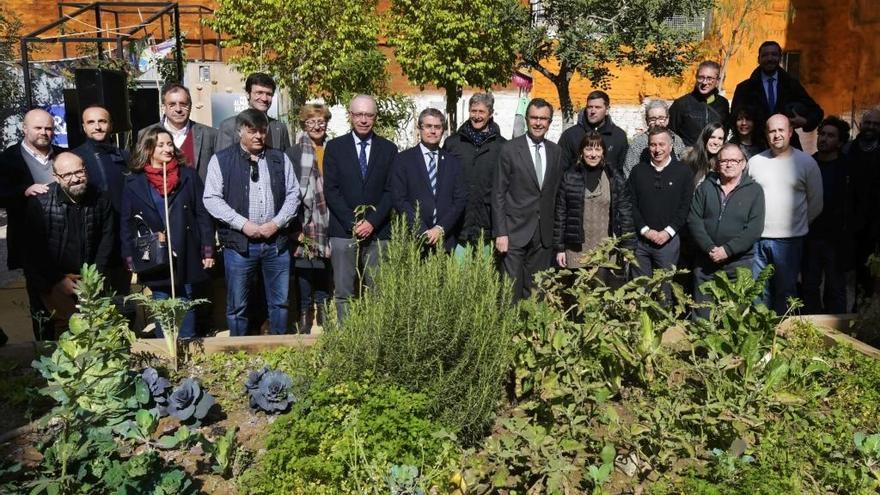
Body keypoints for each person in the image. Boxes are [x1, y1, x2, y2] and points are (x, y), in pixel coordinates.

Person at [203, 109, 300, 336]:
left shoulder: (279, 159)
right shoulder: (221, 160)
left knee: (279, 303)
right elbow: (211, 198)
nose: (258, 136)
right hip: (239, 244)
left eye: (262, 131)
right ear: (240, 132)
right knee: (237, 306)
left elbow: (293, 194)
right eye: (252, 131)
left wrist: (276, 223)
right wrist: (242, 224)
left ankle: (279, 349)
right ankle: (239, 352)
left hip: (276, 243)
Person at [121, 127, 215, 338]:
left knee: (186, 299)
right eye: (160, 144)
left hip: (186, 246)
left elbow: (202, 214)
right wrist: (129, 256)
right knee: (161, 299)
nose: (167, 148)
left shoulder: (188, 176)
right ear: (148, 148)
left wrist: (207, 250)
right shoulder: (134, 181)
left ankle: (188, 344)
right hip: (155, 251)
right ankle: (166, 349)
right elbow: (126, 222)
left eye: (169, 144)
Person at [23, 152, 115, 337]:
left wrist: (93, 276)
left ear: (86, 171)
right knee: (61, 328)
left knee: (93, 327)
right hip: (50, 279)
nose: (75, 179)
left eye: (79, 172)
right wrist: (58, 280)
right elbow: (33, 249)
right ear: (56, 177)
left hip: (88, 277)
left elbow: (107, 239)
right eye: (67, 175)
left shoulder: (101, 199)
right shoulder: (40, 203)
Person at [323, 94, 399, 320]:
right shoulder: (335, 148)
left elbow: (391, 191)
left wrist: (372, 222)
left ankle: (374, 340)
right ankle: (347, 341)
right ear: (350, 116)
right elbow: (331, 190)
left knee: (377, 291)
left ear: (375, 117)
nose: (364, 120)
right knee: (344, 292)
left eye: (369, 115)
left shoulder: (388, 149)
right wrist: (353, 222)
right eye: (359, 114)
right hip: (344, 231)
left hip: (379, 233)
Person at [748, 114, 823, 314]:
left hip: (790, 242)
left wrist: (797, 225)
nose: (777, 135)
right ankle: (759, 336)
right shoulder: (755, 162)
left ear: (790, 132)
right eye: (772, 131)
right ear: (766, 134)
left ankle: (784, 337)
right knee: (757, 291)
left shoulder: (806, 163)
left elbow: (816, 202)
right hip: (757, 239)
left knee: (786, 292)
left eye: (781, 130)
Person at [492, 98, 564, 302]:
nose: (538, 123)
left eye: (543, 118)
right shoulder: (509, 149)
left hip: (543, 234)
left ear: (549, 121)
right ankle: (509, 331)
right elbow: (498, 193)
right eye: (534, 118)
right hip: (514, 232)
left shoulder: (556, 152)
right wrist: (501, 232)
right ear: (526, 119)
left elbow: (557, 193)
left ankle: (532, 332)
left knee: (537, 290)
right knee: (510, 289)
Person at [0, 109, 63, 337]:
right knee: (41, 301)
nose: (44, 133)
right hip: (32, 243)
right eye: (38, 128)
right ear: (24, 128)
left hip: (67, 242)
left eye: (48, 128)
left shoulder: (65, 155)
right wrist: (23, 191)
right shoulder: (7, 159)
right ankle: (46, 353)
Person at [688, 144, 765, 319]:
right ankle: (701, 346)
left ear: (743, 164)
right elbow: (694, 220)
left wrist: (727, 250)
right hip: (705, 261)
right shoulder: (705, 188)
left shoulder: (754, 191)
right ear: (717, 164)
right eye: (724, 161)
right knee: (702, 313)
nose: (729, 164)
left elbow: (754, 229)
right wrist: (709, 248)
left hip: (738, 263)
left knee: (735, 315)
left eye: (734, 160)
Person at [628, 127, 694, 302]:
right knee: (641, 290)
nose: (657, 149)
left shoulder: (683, 172)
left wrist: (668, 232)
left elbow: (685, 206)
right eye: (653, 145)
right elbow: (630, 204)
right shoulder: (637, 172)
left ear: (671, 146)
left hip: (669, 242)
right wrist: (644, 230)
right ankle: (642, 326)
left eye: (661, 144)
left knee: (665, 290)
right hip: (641, 242)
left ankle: (663, 327)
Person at [72, 104, 132, 297]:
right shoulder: (75, 158)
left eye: (102, 121)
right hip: (93, 242)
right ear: (83, 126)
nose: (97, 126)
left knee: (122, 294)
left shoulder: (124, 156)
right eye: (91, 122)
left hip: (122, 238)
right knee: (94, 298)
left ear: (111, 125)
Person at [554, 132, 633, 276]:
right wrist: (560, 248)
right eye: (589, 149)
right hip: (576, 248)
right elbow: (561, 214)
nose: (593, 154)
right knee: (578, 293)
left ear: (603, 152)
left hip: (605, 248)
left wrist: (627, 247)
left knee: (602, 291)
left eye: (597, 149)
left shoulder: (613, 177)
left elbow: (625, 212)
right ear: (581, 152)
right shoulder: (570, 177)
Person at [285, 104, 332, 334]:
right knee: (304, 268)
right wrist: (294, 227)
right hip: (302, 219)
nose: (316, 126)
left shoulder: (333, 150)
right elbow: (288, 191)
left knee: (323, 266)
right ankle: (304, 313)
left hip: (327, 219)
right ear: (304, 125)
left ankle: (323, 310)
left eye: (321, 121)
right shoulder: (293, 153)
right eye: (311, 122)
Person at [392, 108, 466, 252]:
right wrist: (421, 230)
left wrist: (440, 228)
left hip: (444, 241)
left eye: (438, 127)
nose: (433, 131)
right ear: (419, 128)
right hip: (413, 240)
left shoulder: (453, 163)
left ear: (443, 130)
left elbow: (460, 200)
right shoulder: (403, 160)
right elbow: (399, 199)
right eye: (428, 126)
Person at [731, 41, 823, 150]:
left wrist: (805, 121)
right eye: (765, 55)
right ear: (758, 59)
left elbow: (816, 111)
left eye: (774, 55)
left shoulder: (791, 85)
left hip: (787, 145)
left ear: (780, 57)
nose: (770, 58)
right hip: (755, 145)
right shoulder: (744, 88)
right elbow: (733, 118)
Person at [442, 92, 507, 249]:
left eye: (481, 112)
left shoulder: (502, 146)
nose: (477, 116)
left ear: (490, 114)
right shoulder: (453, 143)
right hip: (457, 224)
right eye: (473, 111)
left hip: (487, 224)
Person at [802, 117, 852, 314]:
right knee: (809, 287)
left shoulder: (847, 167)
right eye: (822, 134)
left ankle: (839, 335)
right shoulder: (808, 164)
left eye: (830, 136)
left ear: (840, 142)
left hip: (836, 239)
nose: (823, 139)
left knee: (835, 288)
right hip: (810, 236)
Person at [138, 83, 218, 181]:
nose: (178, 109)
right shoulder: (145, 134)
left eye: (183, 104)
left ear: (190, 106)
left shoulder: (210, 135)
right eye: (172, 105)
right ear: (163, 107)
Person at [848, 108, 880, 301]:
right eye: (868, 123)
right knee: (858, 270)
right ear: (861, 125)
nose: (871, 128)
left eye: (876, 124)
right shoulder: (850, 149)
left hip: (877, 220)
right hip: (855, 221)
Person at [558, 90, 628, 175]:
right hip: (576, 186)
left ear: (607, 110)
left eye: (598, 107)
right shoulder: (570, 135)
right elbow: (560, 169)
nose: (593, 111)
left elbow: (622, 170)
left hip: (608, 186)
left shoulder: (618, 136)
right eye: (590, 107)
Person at [216, 73, 291, 151]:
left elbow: (286, 160)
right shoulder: (229, 126)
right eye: (259, 93)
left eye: (269, 94)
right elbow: (222, 161)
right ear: (248, 94)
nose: (264, 98)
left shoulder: (279, 128)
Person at [669, 61, 730, 147]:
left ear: (717, 81)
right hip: (688, 157)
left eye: (709, 78)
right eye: (701, 77)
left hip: (714, 156)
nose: (704, 82)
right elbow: (670, 133)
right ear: (696, 77)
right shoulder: (681, 104)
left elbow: (725, 132)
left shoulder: (723, 103)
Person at [623, 100, 687, 179]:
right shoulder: (638, 144)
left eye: (661, 118)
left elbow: (684, 169)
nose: (657, 123)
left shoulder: (676, 140)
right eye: (652, 119)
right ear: (646, 121)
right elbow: (629, 174)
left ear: (667, 119)